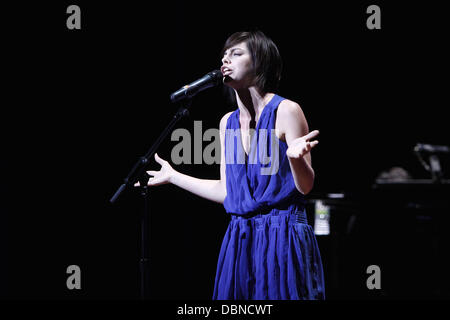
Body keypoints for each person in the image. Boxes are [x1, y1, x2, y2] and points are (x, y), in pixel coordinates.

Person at [136, 30, 325, 300]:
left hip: (283, 234)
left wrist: (295, 159)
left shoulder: (286, 111)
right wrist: (174, 176)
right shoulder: (228, 123)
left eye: (236, 53)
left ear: (259, 63)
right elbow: (228, 192)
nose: (226, 59)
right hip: (240, 238)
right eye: (224, 54)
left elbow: (305, 187)